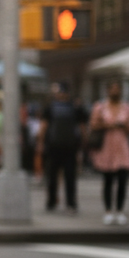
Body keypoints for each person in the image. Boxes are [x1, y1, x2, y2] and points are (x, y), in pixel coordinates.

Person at [89, 80, 129, 225]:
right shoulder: (100, 106)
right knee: (108, 180)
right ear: (108, 91)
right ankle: (108, 211)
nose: (115, 92)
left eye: (117, 89)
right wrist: (108, 124)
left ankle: (120, 210)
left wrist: (122, 126)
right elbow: (93, 124)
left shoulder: (126, 107)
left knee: (122, 181)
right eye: (112, 89)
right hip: (107, 147)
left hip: (122, 148)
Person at [38, 82, 86, 213]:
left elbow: (43, 126)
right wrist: (83, 142)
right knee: (67, 176)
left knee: (56, 176)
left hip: (57, 146)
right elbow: (82, 127)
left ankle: (54, 202)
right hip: (65, 146)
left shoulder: (52, 107)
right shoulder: (74, 107)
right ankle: (68, 202)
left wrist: (40, 142)